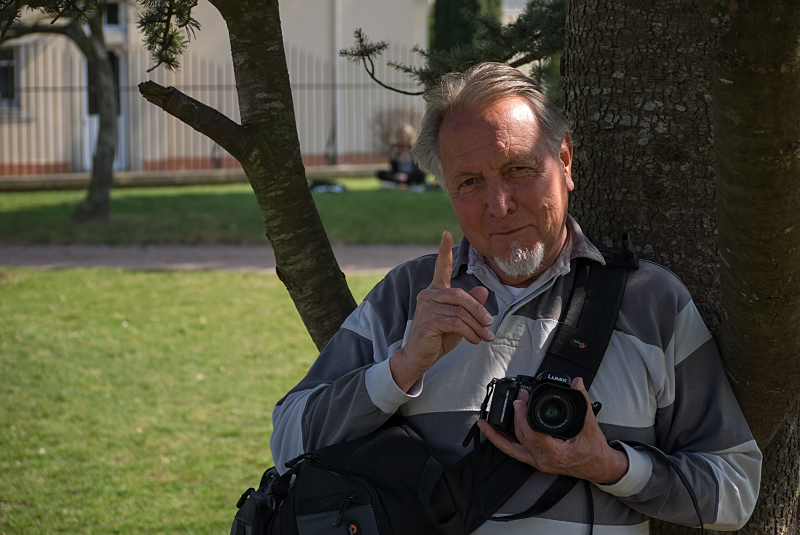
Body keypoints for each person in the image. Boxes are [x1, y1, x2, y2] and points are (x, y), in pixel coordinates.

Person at [271, 62, 761, 533]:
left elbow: (736, 490)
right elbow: (288, 442)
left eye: (519, 169)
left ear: (564, 159)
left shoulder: (652, 303)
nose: (499, 205)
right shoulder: (410, 297)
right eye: (469, 183)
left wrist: (611, 466)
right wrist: (400, 370)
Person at [377, 124, 427, 190]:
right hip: (398, 175)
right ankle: (404, 183)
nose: (403, 138)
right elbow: (393, 169)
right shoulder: (395, 149)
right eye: (401, 136)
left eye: (405, 136)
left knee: (421, 174)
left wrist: (406, 176)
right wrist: (393, 159)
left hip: (410, 175)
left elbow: (418, 169)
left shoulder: (415, 150)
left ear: (410, 137)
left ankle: (402, 183)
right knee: (380, 173)